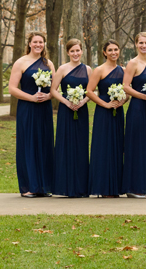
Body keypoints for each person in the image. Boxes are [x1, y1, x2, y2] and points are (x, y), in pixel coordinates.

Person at [8, 31, 56, 198]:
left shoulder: (48, 63)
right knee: (28, 144)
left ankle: (44, 185)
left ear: (44, 44)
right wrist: (31, 98)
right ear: (29, 44)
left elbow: (55, 88)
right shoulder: (20, 63)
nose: (38, 45)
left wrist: (48, 96)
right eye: (35, 42)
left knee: (44, 143)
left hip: (44, 108)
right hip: (27, 108)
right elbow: (12, 88)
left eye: (41, 42)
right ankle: (28, 187)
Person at [51, 38, 91, 198]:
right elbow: (53, 90)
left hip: (82, 110)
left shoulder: (88, 69)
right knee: (66, 145)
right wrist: (67, 102)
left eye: (78, 50)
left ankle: (81, 187)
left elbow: (91, 90)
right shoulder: (62, 69)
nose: (75, 53)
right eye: (72, 51)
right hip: (66, 111)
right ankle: (65, 186)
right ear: (68, 52)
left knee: (81, 146)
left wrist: (82, 101)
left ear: (82, 51)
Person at [87, 40, 126, 197]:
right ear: (104, 52)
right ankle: (102, 187)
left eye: (116, 49)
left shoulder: (123, 70)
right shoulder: (99, 70)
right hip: (103, 112)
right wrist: (106, 105)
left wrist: (121, 101)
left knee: (117, 147)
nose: (113, 52)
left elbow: (128, 91)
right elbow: (89, 91)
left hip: (118, 112)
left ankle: (116, 187)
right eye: (110, 50)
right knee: (103, 147)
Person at [122, 32, 146, 198]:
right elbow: (126, 87)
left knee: (145, 146)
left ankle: (143, 187)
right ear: (136, 44)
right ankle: (133, 187)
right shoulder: (132, 63)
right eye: (141, 43)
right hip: (136, 108)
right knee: (135, 146)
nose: (144, 45)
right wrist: (145, 97)